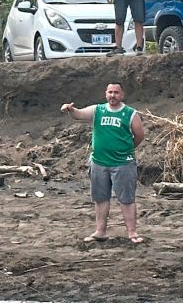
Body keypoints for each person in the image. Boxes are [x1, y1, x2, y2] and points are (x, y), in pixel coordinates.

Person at [61, 82, 146, 243]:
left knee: (126, 199)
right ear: (105, 94)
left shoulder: (130, 113)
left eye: (116, 92)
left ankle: (132, 232)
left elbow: (139, 135)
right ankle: (100, 231)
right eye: (110, 92)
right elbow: (79, 114)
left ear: (122, 95)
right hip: (99, 162)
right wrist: (70, 110)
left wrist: (126, 149)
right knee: (100, 198)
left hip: (123, 163)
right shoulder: (97, 110)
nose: (113, 95)